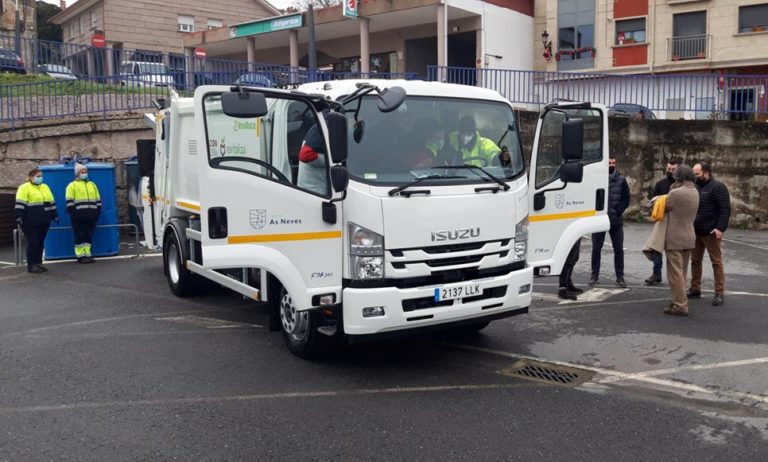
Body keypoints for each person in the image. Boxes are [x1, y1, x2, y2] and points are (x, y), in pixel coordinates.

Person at [688, 162, 731, 306]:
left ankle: (719, 292)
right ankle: (695, 288)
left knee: (716, 263)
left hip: (711, 233)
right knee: (695, 261)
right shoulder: (695, 187)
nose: (695, 176)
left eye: (697, 174)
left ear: (706, 173)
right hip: (695, 231)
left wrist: (720, 228)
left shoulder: (718, 187)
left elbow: (725, 209)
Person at [662, 165, 700, 316]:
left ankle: (680, 305)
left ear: (679, 177)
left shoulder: (676, 192)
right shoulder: (695, 191)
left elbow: (662, 206)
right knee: (682, 272)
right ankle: (679, 300)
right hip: (689, 236)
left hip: (675, 237)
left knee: (674, 273)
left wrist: (672, 188)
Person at [589, 157, 630, 288]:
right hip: (599, 219)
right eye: (609, 163)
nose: (612, 165)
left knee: (618, 250)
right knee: (596, 249)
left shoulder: (622, 180)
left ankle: (620, 277)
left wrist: (619, 210)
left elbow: (626, 198)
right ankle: (594, 275)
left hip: (616, 220)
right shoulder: (597, 179)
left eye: (613, 163)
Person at [15, 168, 58, 273]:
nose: (40, 178)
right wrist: (19, 216)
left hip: (44, 220)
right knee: (33, 242)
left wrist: (54, 215)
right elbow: (20, 203)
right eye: (38, 176)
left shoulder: (45, 187)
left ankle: (38, 263)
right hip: (30, 221)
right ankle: (31, 265)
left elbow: (51, 202)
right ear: (31, 177)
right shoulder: (24, 188)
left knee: (40, 242)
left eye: (41, 176)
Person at [646, 157, 681, 285]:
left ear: (678, 170)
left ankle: (675, 278)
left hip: (676, 223)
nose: (670, 171)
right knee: (657, 249)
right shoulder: (660, 184)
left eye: (673, 169)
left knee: (674, 253)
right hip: (661, 221)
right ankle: (656, 274)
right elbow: (652, 202)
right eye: (668, 168)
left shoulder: (681, 186)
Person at [65, 163, 102, 264]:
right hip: (79, 216)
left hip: (91, 215)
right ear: (77, 174)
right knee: (80, 235)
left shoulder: (92, 185)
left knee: (88, 235)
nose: (84, 174)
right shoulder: (72, 185)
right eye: (82, 172)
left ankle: (88, 253)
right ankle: (81, 256)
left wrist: (98, 211)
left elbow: (98, 199)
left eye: (86, 172)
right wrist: (74, 213)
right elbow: (69, 201)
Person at [297, 123, 330, 196]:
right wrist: (331, 161)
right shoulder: (325, 126)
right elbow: (305, 155)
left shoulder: (319, 125)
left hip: (310, 190)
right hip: (315, 194)